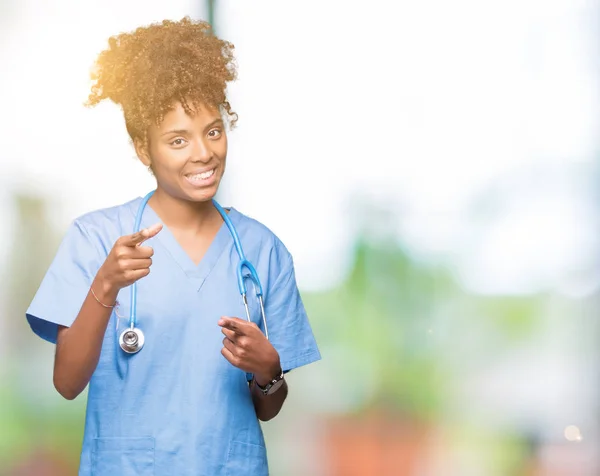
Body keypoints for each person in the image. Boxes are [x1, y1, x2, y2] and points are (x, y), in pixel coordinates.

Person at [25, 17, 321, 476]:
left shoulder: (263, 250)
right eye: (177, 140)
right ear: (144, 149)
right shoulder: (95, 237)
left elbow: (268, 408)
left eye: (214, 131)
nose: (203, 153)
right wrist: (106, 284)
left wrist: (270, 371)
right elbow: (66, 383)